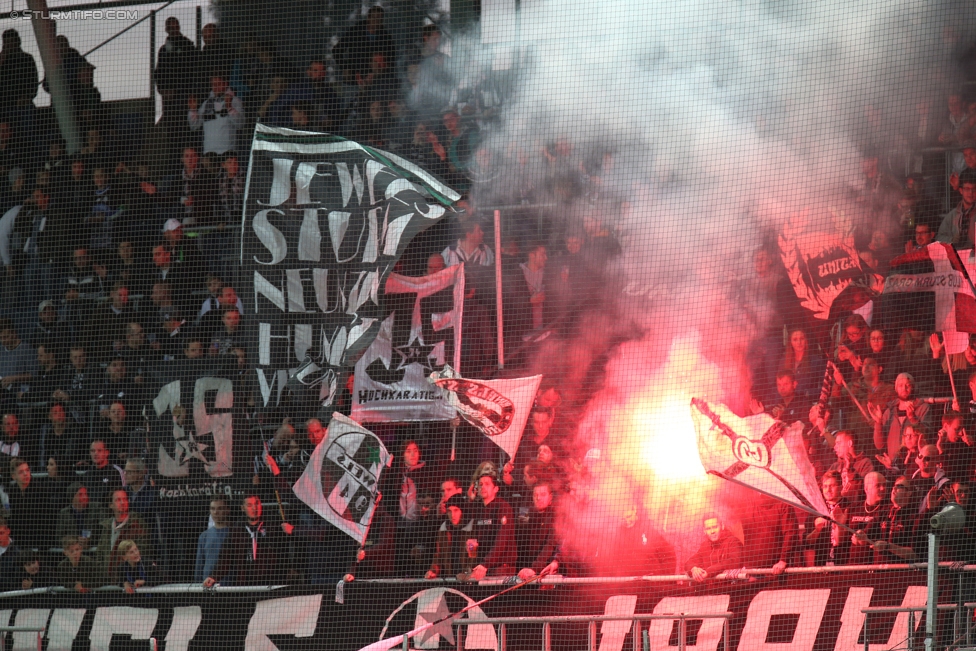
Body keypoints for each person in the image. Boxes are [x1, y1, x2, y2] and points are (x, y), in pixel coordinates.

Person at [203, 494, 291, 587]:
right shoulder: (237, 529)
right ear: (242, 508)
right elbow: (225, 557)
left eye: (256, 503)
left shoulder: (273, 526)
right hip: (245, 585)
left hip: (271, 583)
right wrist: (213, 576)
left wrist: (292, 568)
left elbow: (284, 551)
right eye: (249, 505)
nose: (254, 508)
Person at [467, 468, 516, 579]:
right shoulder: (477, 508)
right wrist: (471, 552)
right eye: (480, 484)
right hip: (482, 567)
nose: (483, 487)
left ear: (496, 489)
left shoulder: (503, 507)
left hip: (501, 569)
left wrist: (485, 564)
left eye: (487, 484)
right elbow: (472, 539)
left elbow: (501, 540)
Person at [871, 373, 931, 459]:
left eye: (908, 385)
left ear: (913, 387)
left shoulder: (923, 408)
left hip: (915, 463)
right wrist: (878, 423)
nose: (904, 388)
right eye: (900, 385)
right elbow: (879, 445)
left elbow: (928, 435)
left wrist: (912, 418)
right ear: (896, 389)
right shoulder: (889, 412)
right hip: (893, 466)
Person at [863, 476, 923, 563]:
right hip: (877, 572)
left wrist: (888, 546)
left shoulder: (913, 518)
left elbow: (915, 554)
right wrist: (860, 535)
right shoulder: (882, 512)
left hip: (899, 573)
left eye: (899, 486)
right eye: (894, 486)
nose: (894, 488)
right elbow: (865, 535)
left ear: (909, 493)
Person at [96, 488, 152, 576]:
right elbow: (99, 553)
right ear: (111, 505)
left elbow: (143, 550)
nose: (122, 502)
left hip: (129, 576)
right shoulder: (106, 526)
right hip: (107, 578)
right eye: (118, 500)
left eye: (125, 499)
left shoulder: (137, 524)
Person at [188, 73, 244, 156]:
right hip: (209, 152)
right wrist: (192, 110)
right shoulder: (206, 103)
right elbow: (194, 126)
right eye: (213, 85)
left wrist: (229, 107)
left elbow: (241, 124)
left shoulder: (235, 101)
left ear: (226, 84)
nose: (216, 87)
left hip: (228, 152)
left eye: (218, 84)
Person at [740, 494, 797, 575]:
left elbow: (790, 533)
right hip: (751, 569)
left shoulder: (783, 504)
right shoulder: (747, 504)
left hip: (776, 569)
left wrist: (783, 560)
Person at [516, 483, 561, 581]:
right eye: (535, 495)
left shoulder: (556, 516)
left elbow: (550, 544)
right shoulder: (527, 516)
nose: (538, 498)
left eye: (543, 494)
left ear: (550, 497)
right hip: (526, 574)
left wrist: (534, 568)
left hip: (547, 573)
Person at [804, 471, 850, 566]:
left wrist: (839, 526)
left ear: (841, 487)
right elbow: (806, 542)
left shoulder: (850, 507)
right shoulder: (816, 509)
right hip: (821, 563)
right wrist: (817, 530)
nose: (828, 490)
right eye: (825, 486)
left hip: (844, 562)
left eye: (832, 486)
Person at [425, 494, 474, 580]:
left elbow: (473, 556)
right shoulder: (444, 528)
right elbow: (438, 554)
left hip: (469, 580)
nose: (452, 515)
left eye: (456, 510)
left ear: (462, 511)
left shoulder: (472, 528)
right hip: (451, 578)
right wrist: (433, 571)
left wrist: (467, 574)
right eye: (449, 511)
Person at [684, 515, 743, 582]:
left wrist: (709, 572)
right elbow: (689, 562)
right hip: (711, 589)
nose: (712, 531)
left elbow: (734, 561)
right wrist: (693, 569)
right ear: (704, 531)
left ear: (722, 526)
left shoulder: (733, 541)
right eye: (708, 528)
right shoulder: (704, 546)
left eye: (715, 527)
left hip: (731, 588)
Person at [848, 472, 889, 564]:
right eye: (878, 486)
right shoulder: (854, 508)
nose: (883, 488)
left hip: (873, 565)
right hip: (852, 564)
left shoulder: (888, 509)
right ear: (866, 489)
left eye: (884, 485)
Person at [828, 430, 876, 499]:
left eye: (838, 443)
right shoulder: (835, 466)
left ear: (850, 443)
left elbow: (862, 489)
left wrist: (850, 470)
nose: (835, 447)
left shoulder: (865, 463)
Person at [56, 483, 103, 550]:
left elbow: (103, 531)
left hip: (93, 550)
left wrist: (90, 540)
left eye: (85, 494)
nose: (85, 497)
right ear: (72, 497)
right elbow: (59, 538)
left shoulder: (96, 508)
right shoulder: (64, 513)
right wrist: (75, 541)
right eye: (80, 495)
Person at [936, 168, 976, 246]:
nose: (971, 193)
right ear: (961, 190)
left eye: (974, 189)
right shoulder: (952, 216)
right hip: (956, 256)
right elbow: (939, 237)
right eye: (967, 189)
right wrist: (953, 240)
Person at [194, 498, 230, 583]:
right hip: (208, 586)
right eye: (213, 509)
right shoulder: (204, 536)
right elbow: (199, 565)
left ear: (227, 510)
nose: (215, 512)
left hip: (229, 587)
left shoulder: (234, 534)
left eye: (220, 508)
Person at [937, 411, 974, 481]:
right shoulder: (934, 442)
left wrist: (940, 450)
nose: (960, 433)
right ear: (946, 426)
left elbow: (951, 472)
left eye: (961, 429)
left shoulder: (963, 447)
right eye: (957, 429)